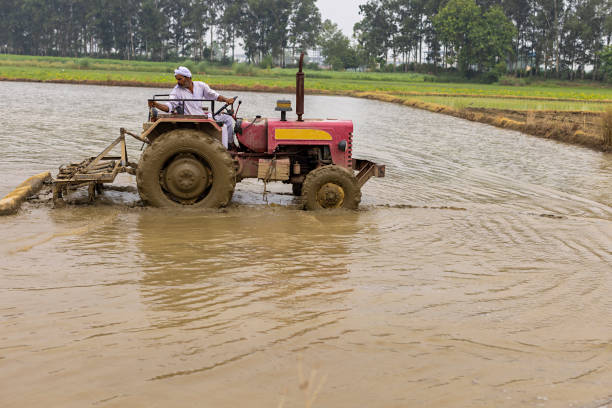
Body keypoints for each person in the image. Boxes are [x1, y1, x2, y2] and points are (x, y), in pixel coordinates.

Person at [148, 66, 236, 148]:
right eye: (177, 79)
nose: (178, 82)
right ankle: (230, 146)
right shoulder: (177, 91)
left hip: (202, 115)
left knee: (226, 117)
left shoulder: (200, 85)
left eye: (180, 79)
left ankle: (228, 144)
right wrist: (156, 104)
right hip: (194, 118)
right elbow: (169, 106)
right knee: (227, 119)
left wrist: (226, 100)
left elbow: (214, 96)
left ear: (188, 78)